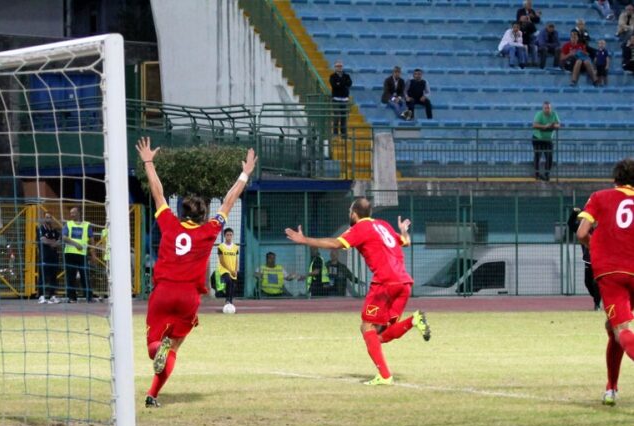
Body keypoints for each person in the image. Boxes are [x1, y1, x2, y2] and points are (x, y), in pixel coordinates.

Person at [135, 136, 255, 408]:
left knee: (155, 345)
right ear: (203, 216)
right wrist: (244, 174)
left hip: (163, 291)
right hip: (188, 296)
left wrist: (149, 162)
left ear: (181, 212)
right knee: (174, 347)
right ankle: (152, 394)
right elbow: (228, 200)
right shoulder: (210, 230)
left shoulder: (168, 222)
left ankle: (157, 352)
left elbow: (157, 192)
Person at [285, 198, 431, 386]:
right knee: (379, 335)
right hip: (403, 283)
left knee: (367, 327)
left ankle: (385, 376)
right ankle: (414, 320)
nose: (349, 214)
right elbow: (406, 242)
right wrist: (403, 230)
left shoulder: (359, 229)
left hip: (385, 283)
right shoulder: (383, 225)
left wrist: (305, 240)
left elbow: (335, 244)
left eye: (349, 211)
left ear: (354, 213)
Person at [575, 157, 634, 406]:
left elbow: (581, 233)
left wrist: (596, 247)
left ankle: (611, 388)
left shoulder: (600, 197)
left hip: (611, 273)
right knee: (613, 329)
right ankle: (611, 388)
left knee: (621, 331)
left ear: (615, 180)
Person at [570, 206, 601, 310]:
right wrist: (574, 213)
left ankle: (597, 304)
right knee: (588, 283)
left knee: (596, 282)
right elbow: (571, 225)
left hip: (600, 261)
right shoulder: (583, 229)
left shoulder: (603, 228)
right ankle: (598, 298)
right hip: (588, 261)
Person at [62, 206, 93, 302]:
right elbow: (64, 237)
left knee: (85, 276)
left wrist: (93, 253)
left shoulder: (87, 225)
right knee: (70, 276)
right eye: (71, 213)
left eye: (73, 212)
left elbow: (91, 240)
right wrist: (76, 244)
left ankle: (89, 297)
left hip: (82, 254)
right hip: (70, 253)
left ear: (79, 213)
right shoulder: (68, 224)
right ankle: (72, 297)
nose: (71, 215)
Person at [36, 211, 62, 304]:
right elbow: (43, 240)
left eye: (50, 217)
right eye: (46, 217)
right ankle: (41, 296)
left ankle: (52, 296)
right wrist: (53, 243)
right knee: (43, 276)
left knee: (53, 277)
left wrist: (53, 243)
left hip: (54, 257)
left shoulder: (54, 230)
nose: (48, 219)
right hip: (44, 257)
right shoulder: (41, 229)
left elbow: (59, 241)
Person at [531, 101, 561, 182]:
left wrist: (552, 125)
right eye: (546, 108)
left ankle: (546, 174)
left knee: (549, 157)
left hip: (548, 139)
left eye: (549, 108)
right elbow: (534, 125)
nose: (547, 109)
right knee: (537, 156)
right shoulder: (539, 114)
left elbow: (559, 125)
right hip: (538, 139)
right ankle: (537, 175)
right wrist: (544, 126)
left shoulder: (554, 114)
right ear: (543, 108)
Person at [215, 227, 239, 307]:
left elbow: (236, 259)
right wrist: (230, 270)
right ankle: (227, 299)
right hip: (224, 269)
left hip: (233, 270)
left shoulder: (235, 247)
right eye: (227, 235)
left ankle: (230, 303)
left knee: (233, 285)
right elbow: (222, 261)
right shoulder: (221, 247)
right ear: (224, 236)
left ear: (233, 236)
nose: (229, 236)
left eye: (230, 235)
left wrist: (235, 270)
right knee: (228, 280)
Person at [329, 61, 353, 136]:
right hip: (336, 99)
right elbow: (334, 85)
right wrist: (343, 83)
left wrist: (339, 83)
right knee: (336, 117)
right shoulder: (332, 76)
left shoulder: (347, 76)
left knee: (344, 118)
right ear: (335, 67)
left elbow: (349, 84)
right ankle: (335, 133)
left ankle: (343, 134)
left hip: (345, 99)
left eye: (340, 66)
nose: (339, 68)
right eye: (337, 66)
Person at [517, 0, 542, 65]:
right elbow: (519, 19)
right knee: (525, 46)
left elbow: (537, 20)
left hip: (530, 31)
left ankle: (535, 62)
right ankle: (526, 61)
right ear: (525, 5)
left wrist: (536, 16)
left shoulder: (532, 11)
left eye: (530, 4)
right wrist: (528, 16)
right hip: (523, 32)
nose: (530, 5)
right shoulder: (520, 11)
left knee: (534, 46)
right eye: (529, 4)